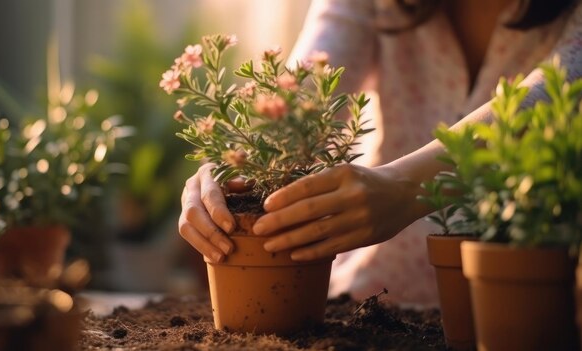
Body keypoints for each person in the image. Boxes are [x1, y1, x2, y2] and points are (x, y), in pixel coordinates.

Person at [178, 0, 582, 307]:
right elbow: (304, 90)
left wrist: (406, 187)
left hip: (523, 313)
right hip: (364, 304)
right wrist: (235, 161)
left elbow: (554, 93)